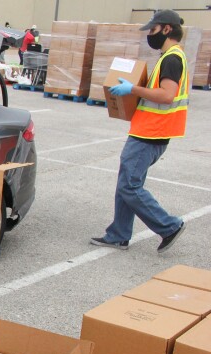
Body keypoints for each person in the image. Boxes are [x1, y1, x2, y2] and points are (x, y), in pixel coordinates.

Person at [90, 9, 189, 253]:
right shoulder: (171, 57)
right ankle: (118, 234)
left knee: (129, 186)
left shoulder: (172, 59)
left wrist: (133, 89)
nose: (150, 35)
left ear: (167, 29)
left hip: (151, 134)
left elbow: (167, 95)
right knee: (127, 183)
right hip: (148, 132)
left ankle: (169, 226)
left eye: (153, 30)